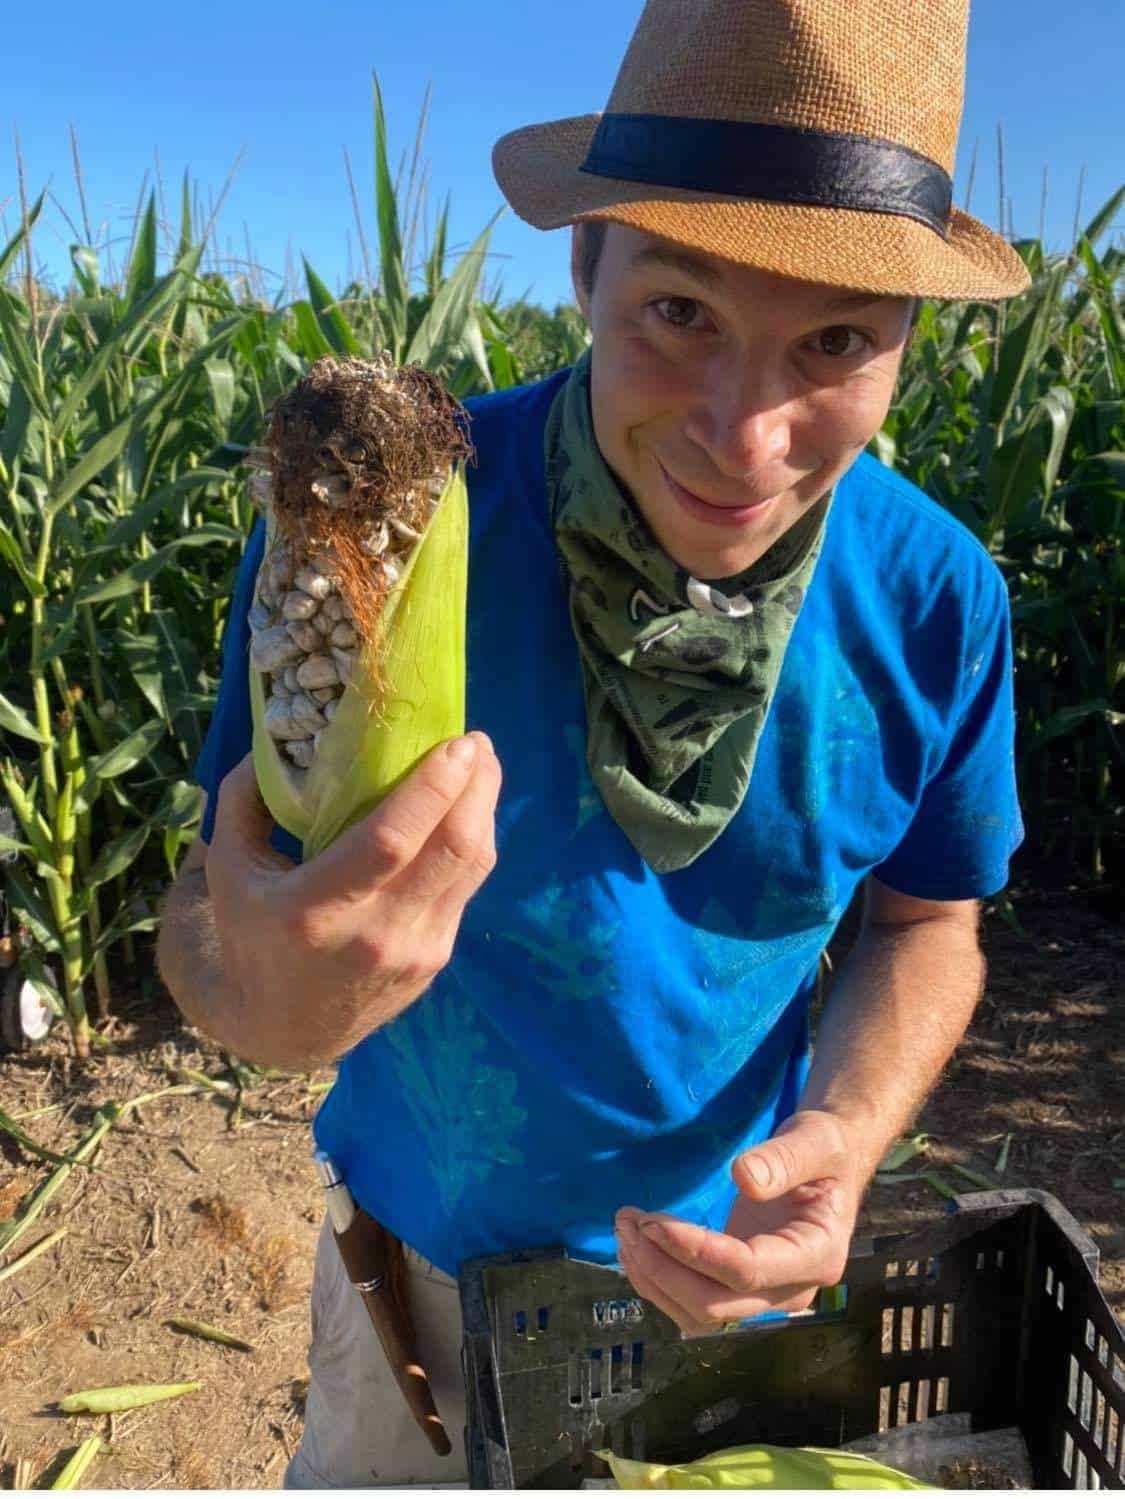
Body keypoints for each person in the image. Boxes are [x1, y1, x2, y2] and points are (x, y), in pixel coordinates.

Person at [156, 0, 1030, 1485]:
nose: (742, 438)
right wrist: (269, 1000)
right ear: (585, 268)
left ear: (906, 343)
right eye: (677, 314)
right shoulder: (378, 523)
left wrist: (846, 1132)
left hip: (735, 1294)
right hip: (418, 1312)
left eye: (832, 343)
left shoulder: (938, 599)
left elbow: (929, 922)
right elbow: (214, 903)